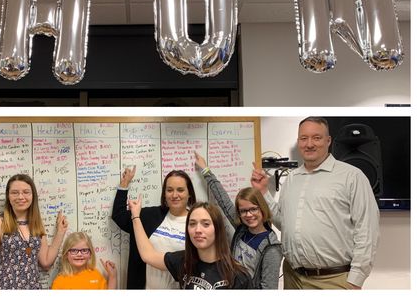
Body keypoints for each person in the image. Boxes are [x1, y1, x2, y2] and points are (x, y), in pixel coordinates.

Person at [251, 116, 379, 289]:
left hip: (334, 280)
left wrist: (355, 280)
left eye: (316, 138)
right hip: (293, 278)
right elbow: (285, 223)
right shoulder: (292, 179)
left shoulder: (352, 177)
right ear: (298, 142)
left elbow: (367, 230)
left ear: (328, 141)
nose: (309, 144)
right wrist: (264, 192)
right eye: (304, 138)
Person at [194, 152, 282, 289]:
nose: (248, 215)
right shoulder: (242, 228)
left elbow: (269, 289)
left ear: (262, 209)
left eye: (253, 209)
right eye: (243, 211)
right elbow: (222, 199)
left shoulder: (271, 247)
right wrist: (205, 170)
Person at [128, 197, 253, 290]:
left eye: (206, 224)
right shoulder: (183, 261)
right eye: (192, 224)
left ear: (218, 228)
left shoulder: (239, 276)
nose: (198, 230)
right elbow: (148, 255)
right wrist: (135, 216)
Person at [111, 166, 196, 289]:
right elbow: (119, 216)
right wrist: (125, 183)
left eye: (180, 190)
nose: (174, 195)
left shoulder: (196, 223)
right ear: (164, 193)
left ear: (189, 194)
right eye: (170, 190)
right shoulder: (150, 216)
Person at [0, 173, 68, 289]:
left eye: (26, 192)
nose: (21, 197)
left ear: (33, 196)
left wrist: (60, 233)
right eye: (15, 193)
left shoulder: (36, 225)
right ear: (8, 196)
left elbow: (46, 262)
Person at [51, 231, 117, 289]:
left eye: (84, 250)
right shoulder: (59, 282)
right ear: (66, 254)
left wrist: (112, 277)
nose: (79, 254)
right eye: (74, 250)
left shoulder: (96, 275)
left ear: (90, 254)